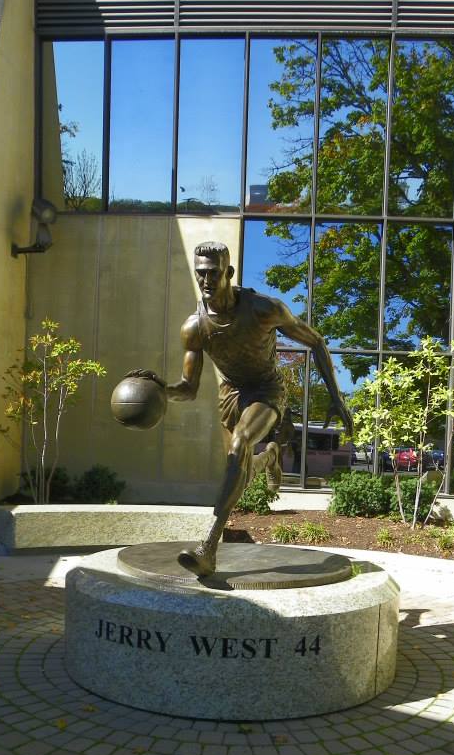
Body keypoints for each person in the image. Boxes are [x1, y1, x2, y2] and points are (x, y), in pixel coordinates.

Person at [135, 241, 353, 576]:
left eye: (213, 273)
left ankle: (208, 547)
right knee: (240, 468)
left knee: (240, 445)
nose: (206, 280)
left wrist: (336, 398)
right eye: (200, 273)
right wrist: (162, 389)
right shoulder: (194, 328)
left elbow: (316, 341)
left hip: (266, 390)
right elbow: (188, 389)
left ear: (229, 273)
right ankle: (272, 456)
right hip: (231, 394)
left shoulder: (264, 309)